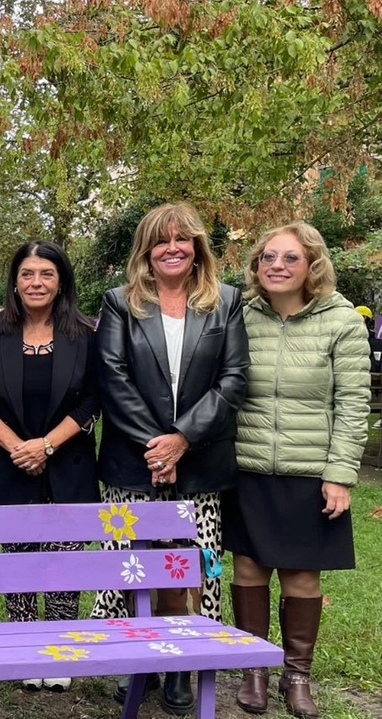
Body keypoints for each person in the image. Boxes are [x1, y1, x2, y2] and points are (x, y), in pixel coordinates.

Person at [93, 203, 248, 715]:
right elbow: (112, 377)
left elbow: (233, 381)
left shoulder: (227, 302)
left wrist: (181, 438)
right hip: (132, 461)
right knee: (136, 564)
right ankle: (142, 661)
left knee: (190, 568)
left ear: (198, 245)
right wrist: (158, 446)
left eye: (183, 239)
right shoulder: (120, 303)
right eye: (161, 241)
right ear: (146, 250)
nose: (173, 248)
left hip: (200, 461)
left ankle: (182, 662)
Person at [226, 222, 367, 718]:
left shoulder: (342, 321)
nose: (277, 266)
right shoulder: (239, 316)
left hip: (312, 470)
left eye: (289, 258)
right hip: (249, 465)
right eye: (268, 257)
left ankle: (297, 677)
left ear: (312, 265)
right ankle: (254, 672)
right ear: (256, 265)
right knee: (247, 569)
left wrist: (340, 473)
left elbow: (353, 403)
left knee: (302, 578)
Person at [0, 241, 100, 693]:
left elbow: (98, 399)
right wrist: (19, 446)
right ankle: (24, 647)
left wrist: (47, 446)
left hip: (68, 463)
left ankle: (59, 649)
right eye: (27, 274)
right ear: (14, 282)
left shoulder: (87, 333)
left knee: (63, 561)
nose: (36, 282)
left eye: (46, 274)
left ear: (61, 282)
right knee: (18, 561)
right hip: (6, 462)